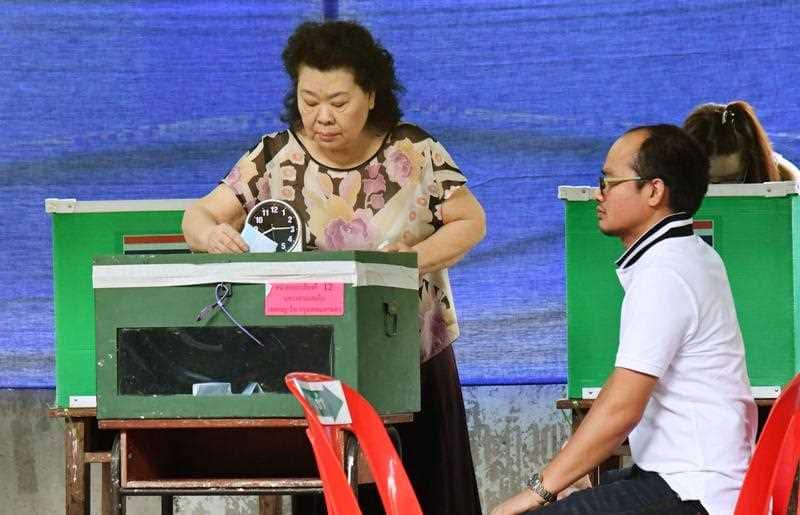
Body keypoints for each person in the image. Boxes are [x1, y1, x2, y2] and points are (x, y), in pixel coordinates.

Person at [182, 20, 486, 515]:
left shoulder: (415, 151)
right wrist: (210, 235)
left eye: (338, 102)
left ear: (370, 93)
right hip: (313, 357)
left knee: (424, 489)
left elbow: (470, 222)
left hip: (410, 351)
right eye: (309, 99)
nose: (322, 116)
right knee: (329, 495)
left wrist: (404, 264)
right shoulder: (274, 155)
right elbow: (196, 215)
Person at [491, 125, 757, 515]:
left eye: (609, 181)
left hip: (693, 490)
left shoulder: (664, 272)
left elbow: (622, 408)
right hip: (687, 476)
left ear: (653, 190)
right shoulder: (685, 254)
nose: (599, 194)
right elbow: (625, 383)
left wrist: (538, 491)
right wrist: (570, 462)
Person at [683, 100, 800, 183]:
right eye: (706, 180)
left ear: (751, 161)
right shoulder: (667, 181)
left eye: (731, 180)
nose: (721, 192)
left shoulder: (786, 181)